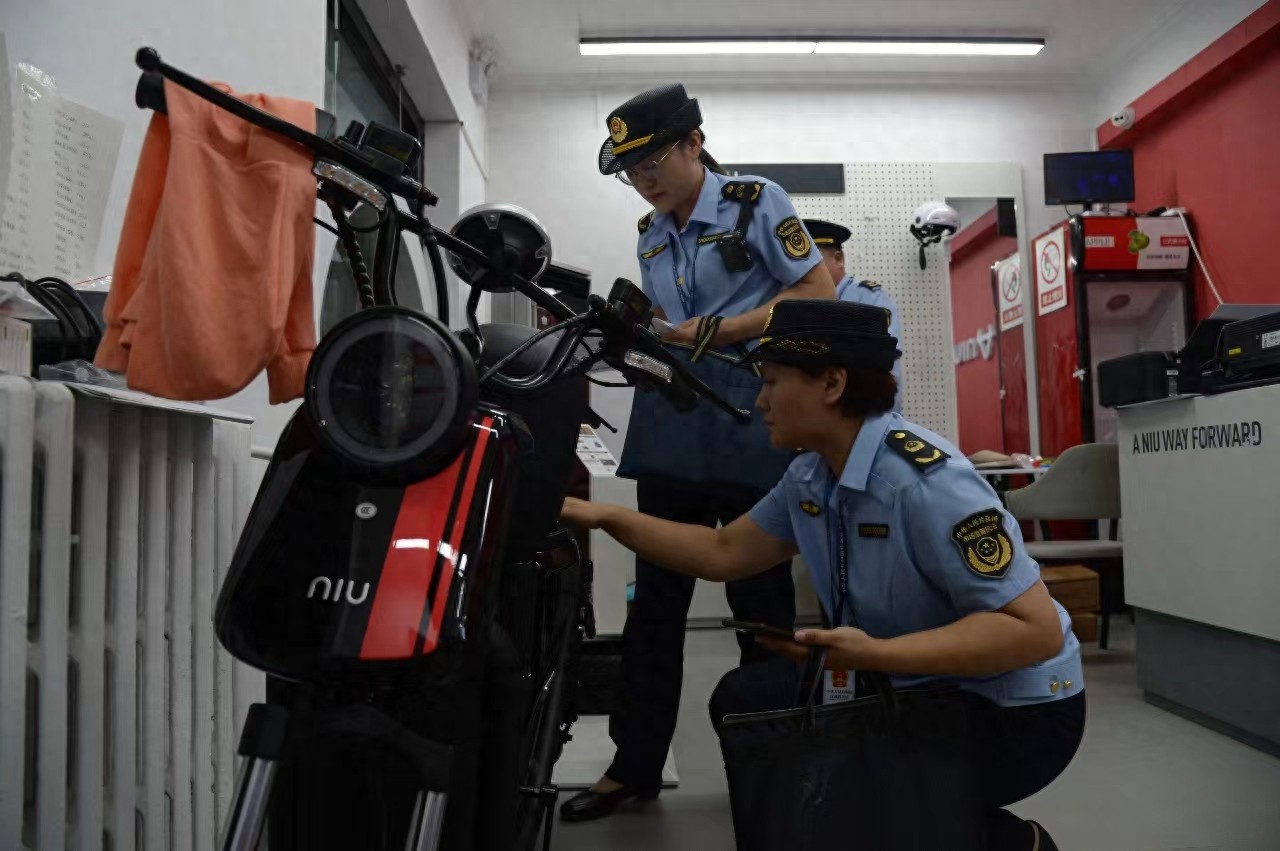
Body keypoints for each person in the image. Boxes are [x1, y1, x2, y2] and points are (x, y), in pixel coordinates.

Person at [561, 299, 1085, 850]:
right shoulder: (812, 474)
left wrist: (871, 655)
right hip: (916, 682)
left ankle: (1012, 842)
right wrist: (603, 515)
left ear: (832, 384)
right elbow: (722, 550)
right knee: (747, 701)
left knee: (846, 789)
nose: (760, 400)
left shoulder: (924, 483)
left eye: (773, 382)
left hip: (1015, 713)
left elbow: (1033, 630)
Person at [560, 84, 836, 823]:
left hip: (751, 414)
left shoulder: (755, 202)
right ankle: (633, 765)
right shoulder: (651, 233)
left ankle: (775, 763)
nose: (644, 179)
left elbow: (815, 289)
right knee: (655, 606)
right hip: (672, 418)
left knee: (761, 602)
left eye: (653, 160)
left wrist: (722, 329)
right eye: (631, 169)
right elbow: (668, 323)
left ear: (693, 143)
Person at [804, 218, 903, 412]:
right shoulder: (796, 306)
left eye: (812, 262)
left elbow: (880, 367)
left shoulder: (868, 299)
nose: (802, 271)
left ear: (838, 259)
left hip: (863, 421)